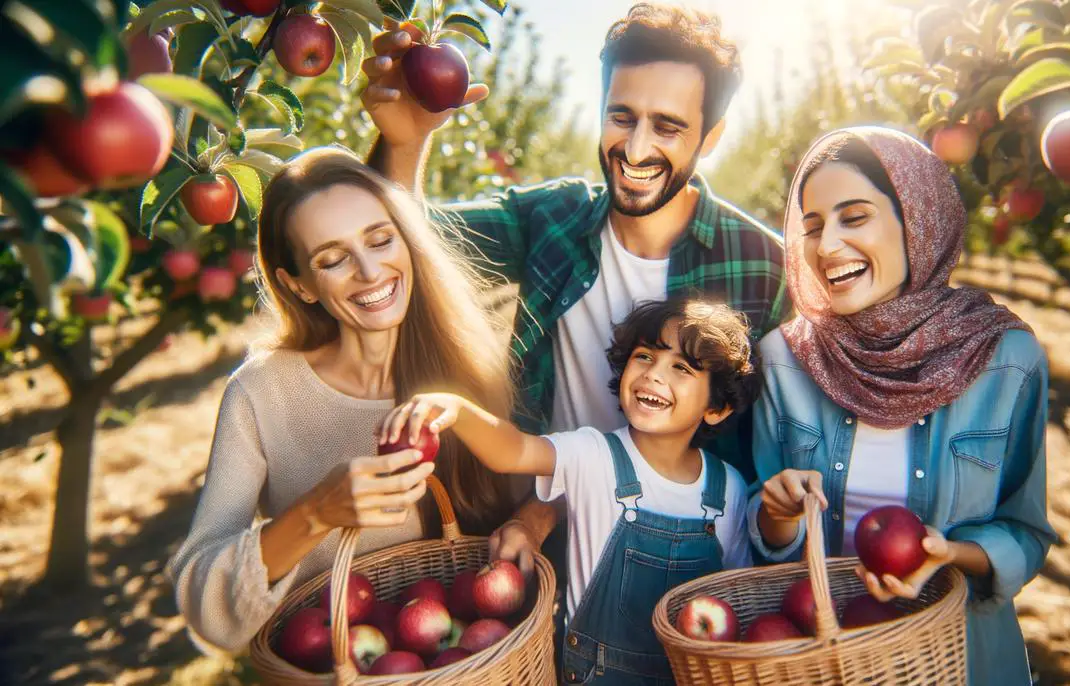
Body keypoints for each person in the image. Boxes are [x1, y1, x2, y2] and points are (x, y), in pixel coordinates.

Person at [360, 3, 789, 572]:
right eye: (621, 116)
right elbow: (406, 247)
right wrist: (405, 143)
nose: (635, 149)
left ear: (711, 136)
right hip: (540, 529)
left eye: (667, 126)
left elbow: (783, 432)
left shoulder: (760, 264)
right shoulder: (555, 220)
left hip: (691, 555)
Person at [167, 147, 524, 654]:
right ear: (300, 286)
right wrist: (315, 513)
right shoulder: (262, 393)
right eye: (332, 259)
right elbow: (204, 601)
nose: (369, 270)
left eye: (380, 240)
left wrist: (528, 524)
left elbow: (528, 497)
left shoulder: (464, 372)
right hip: (335, 664)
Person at [748, 127, 1057, 685]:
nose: (826, 246)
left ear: (916, 220)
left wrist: (952, 555)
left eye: (855, 217)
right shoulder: (786, 360)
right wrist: (774, 515)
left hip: (962, 658)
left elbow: (1026, 533)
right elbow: (767, 547)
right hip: (825, 662)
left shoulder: (1004, 359)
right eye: (813, 226)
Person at [379, 298, 759, 684]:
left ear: (717, 407)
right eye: (645, 357)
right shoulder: (592, 454)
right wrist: (456, 409)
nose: (654, 375)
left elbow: (735, 598)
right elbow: (513, 450)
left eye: (680, 367)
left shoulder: (727, 488)